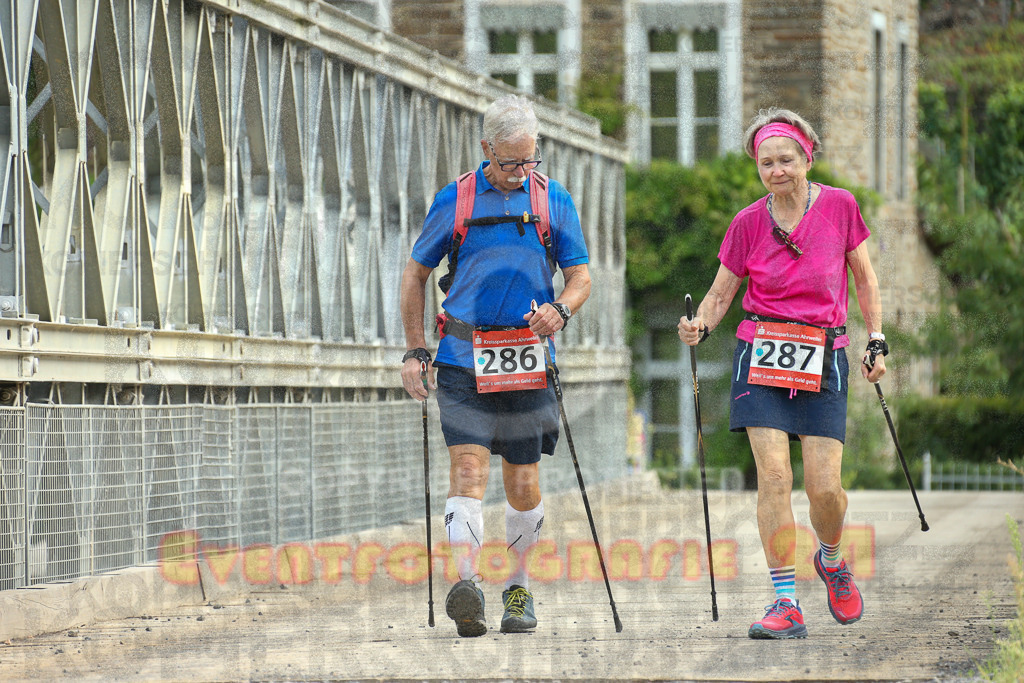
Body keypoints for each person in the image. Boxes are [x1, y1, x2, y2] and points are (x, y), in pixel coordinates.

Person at [678, 107, 889, 640]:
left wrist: (877, 338)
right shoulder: (748, 222)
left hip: (824, 354)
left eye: (787, 159)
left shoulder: (839, 207)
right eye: (766, 162)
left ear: (806, 158)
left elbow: (863, 277)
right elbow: (723, 290)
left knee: (825, 489)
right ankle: (784, 600)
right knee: (774, 477)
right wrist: (699, 324)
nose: (777, 170)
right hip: (761, 352)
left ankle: (832, 560)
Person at [400, 94, 591, 637]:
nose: (520, 172)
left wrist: (561, 308)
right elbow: (415, 275)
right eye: (509, 162)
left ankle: (518, 590)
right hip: (463, 356)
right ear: (486, 148)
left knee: (523, 483)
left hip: (529, 361)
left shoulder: (554, 199)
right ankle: (468, 586)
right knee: (467, 470)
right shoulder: (456, 199)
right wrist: (417, 351)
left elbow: (581, 277)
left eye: (530, 160)